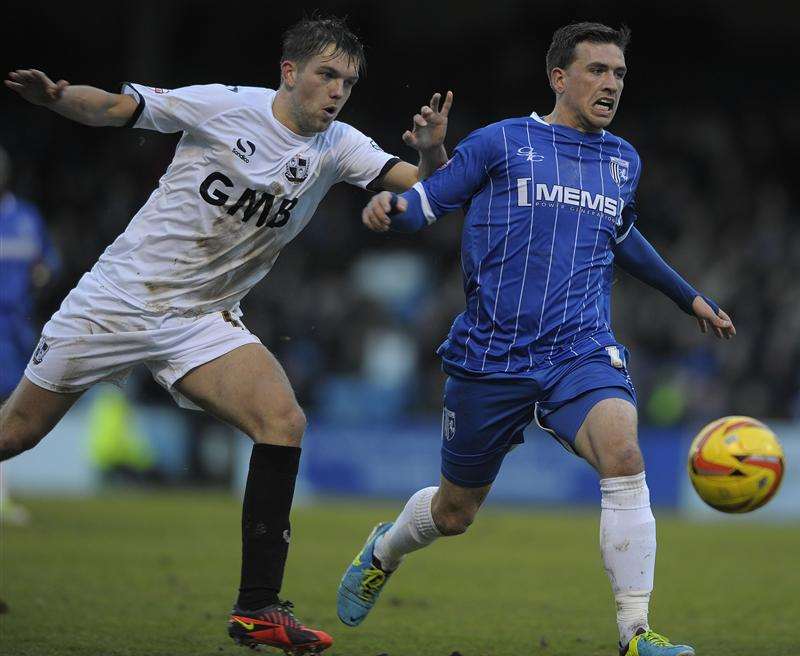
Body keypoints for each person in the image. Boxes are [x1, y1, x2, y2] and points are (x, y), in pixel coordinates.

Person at [2, 16, 452, 654]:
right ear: (289, 72)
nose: (337, 91)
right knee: (15, 434)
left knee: (283, 422)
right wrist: (53, 97)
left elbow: (429, 186)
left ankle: (257, 610)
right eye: (326, 75)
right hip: (119, 301)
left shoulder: (340, 145)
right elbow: (115, 109)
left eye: (348, 81)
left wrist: (431, 150)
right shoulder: (223, 107)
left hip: (201, 319)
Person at [338, 22, 735, 656]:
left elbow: (623, 236)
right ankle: (384, 551)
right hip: (490, 356)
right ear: (559, 77)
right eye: (598, 70)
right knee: (454, 514)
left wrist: (689, 297)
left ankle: (637, 633)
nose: (612, 84)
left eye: (620, 74)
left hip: (580, 348)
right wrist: (394, 210)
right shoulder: (501, 142)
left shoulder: (623, 160)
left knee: (623, 455)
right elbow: (432, 200)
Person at [0, 143, 61, 526]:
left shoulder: (25, 216)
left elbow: (49, 260)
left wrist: (44, 274)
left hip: (15, 329)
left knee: (9, 410)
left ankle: (2, 495)